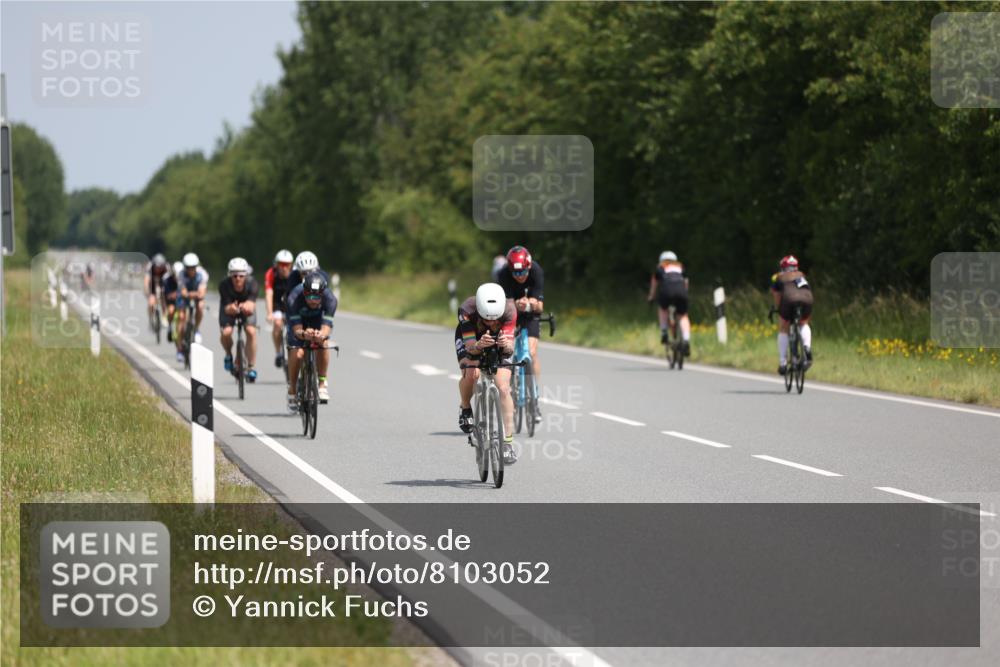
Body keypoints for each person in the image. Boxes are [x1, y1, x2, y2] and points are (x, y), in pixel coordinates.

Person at [455, 283, 518, 465]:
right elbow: (469, 348)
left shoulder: (509, 311)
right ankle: (466, 407)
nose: (491, 323)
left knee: (504, 388)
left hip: (498, 341)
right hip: (473, 338)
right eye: (486, 319)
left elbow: (509, 350)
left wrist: (506, 345)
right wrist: (478, 345)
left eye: (494, 319)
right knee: (471, 372)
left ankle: (507, 443)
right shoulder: (467, 310)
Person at [495, 246, 545, 421]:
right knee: (507, 350)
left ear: (529, 266)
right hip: (510, 313)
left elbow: (541, 306)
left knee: (531, 352)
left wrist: (531, 303)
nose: (519, 276)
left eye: (523, 271)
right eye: (515, 273)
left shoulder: (536, 271)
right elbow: (504, 304)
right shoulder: (503, 275)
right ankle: (510, 390)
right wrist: (517, 304)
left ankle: (534, 397)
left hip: (531, 314)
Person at [286, 271, 337, 410]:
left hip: (317, 321)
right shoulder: (293, 298)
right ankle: (292, 388)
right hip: (299, 323)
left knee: (324, 343)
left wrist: (320, 335)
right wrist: (304, 334)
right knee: (297, 353)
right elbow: (297, 331)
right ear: (304, 293)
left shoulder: (330, 300)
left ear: (323, 294)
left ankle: (322, 384)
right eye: (309, 296)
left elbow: (326, 328)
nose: (313, 300)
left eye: (317, 297)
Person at [770, 255, 814, 374]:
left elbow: (777, 296)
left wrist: (779, 310)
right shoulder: (802, 275)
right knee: (804, 322)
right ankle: (806, 347)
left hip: (789, 299)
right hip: (807, 299)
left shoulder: (779, 277)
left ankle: (783, 362)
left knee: (783, 328)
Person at [219, 257, 259, 381]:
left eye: (241, 276)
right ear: (230, 275)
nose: (238, 279)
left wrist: (245, 306)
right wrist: (232, 308)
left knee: (251, 331)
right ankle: (228, 354)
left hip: (246, 308)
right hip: (229, 307)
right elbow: (226, 308)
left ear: (246, 275)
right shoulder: (224, 285)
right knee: (226, 332)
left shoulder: (253, 283)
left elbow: (251, 305)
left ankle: (251, 366)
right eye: (234, 275)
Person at [647, 250, 691, 355]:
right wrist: (685, 295)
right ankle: (686, 339)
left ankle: (664, 332)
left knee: (663, 309)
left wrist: (651, 297)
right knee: (683, 315)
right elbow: (686, 282)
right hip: (681, 292)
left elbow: (654, 284)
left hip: (667, 291)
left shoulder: (660, 267)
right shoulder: (680, 267)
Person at [174, 252, 209, 361]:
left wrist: (196, 295)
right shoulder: (181, 275)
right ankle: (179, 348)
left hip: (195, 293)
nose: (191, 270)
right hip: (184, 296)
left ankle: (196, 328)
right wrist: (193, 294)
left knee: (200, 306)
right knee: (181, 317)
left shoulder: (203, 274)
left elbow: (202, 292)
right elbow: (183, 292)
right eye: (188, 268)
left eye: (193, 267)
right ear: (185, 267)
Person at [265, 249, 295, 368]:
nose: (284, 267)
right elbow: (269, 293)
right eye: (281, 264)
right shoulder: (271, 273)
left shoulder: (295, 274)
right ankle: (278, 353)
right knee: (277, 324)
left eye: (287, 265)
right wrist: (269, 313)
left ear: (291, 265)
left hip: (292, 302)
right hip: (277, 303)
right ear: (276, 264)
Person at [144, 253, 169, 323]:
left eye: (160, 267)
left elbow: (169, 281)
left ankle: (164, 315)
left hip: (162, 282)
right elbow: (146, 280)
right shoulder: (150, 267)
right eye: (157, 267)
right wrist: (147, 292)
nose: (158, 269)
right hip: (152, 284)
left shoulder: (166, 268)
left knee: (164, 298)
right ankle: (151, 317)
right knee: (151, 303)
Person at [162, 261, 181, 342]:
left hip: (183, 300)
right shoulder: (167, 279)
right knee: (171, 311)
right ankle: (170, 327)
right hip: (172, 301)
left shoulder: (184, 278)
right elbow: (167, 295)